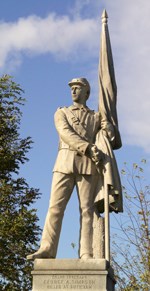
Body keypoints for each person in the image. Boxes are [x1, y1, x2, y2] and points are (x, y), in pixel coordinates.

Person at [27, 77, 115, 260]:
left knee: (87, 211)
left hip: (87, 165)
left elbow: (111, 138)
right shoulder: (62, 113)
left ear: (87, 92)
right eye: (72, 88)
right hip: (64, 162)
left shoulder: (96, 116)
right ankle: (47, 248)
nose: (73, 91)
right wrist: (88, 147)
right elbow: (65, 133)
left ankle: (86, 252)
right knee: (55, 208)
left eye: (78, 88)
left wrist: (108, 126)